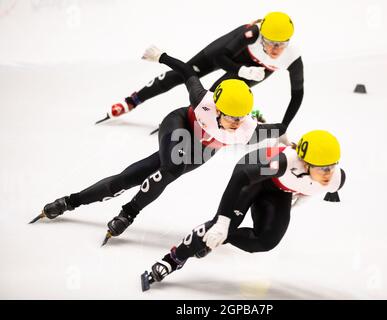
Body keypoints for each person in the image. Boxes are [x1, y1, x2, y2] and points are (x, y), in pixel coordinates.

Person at [30, 46, 288, 246]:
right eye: (231, 117)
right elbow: (188, 72)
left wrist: (289, 143)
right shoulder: (203, 101)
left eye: (240, 118)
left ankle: (90, 206)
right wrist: (160, 56)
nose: (235, 123)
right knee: (171, 168)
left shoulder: (248, 129)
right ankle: (105, 209)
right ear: (218, 108)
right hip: (180, 125)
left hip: (202, 150)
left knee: (130, 178)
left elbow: (279, 130)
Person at [140, 130, 346, 291]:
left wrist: (304, 195)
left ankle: (223, 238)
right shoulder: (283, 163)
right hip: (252, 178)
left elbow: (324, 188)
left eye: (331, 167)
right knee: (221, 226)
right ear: (304, 163)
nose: (328, 174)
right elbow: (240, 176)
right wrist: (222, 223)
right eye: (322, 168)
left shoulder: (336, 179)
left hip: (279, 190)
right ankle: (173, 259)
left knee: (266, 241)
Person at [100, 12, 303, 130]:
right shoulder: (250, 34)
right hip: (228, 54)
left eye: (281, 44)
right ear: (262, 36)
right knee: (183, 74)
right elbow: (219, 58)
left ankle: (243, 112)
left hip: (257, 68)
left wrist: (284, 126)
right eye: (269, 43)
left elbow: (297, 94)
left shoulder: (292, 57)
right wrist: (242, 70)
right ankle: (131, 101)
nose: (275, 49)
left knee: (216, 95)